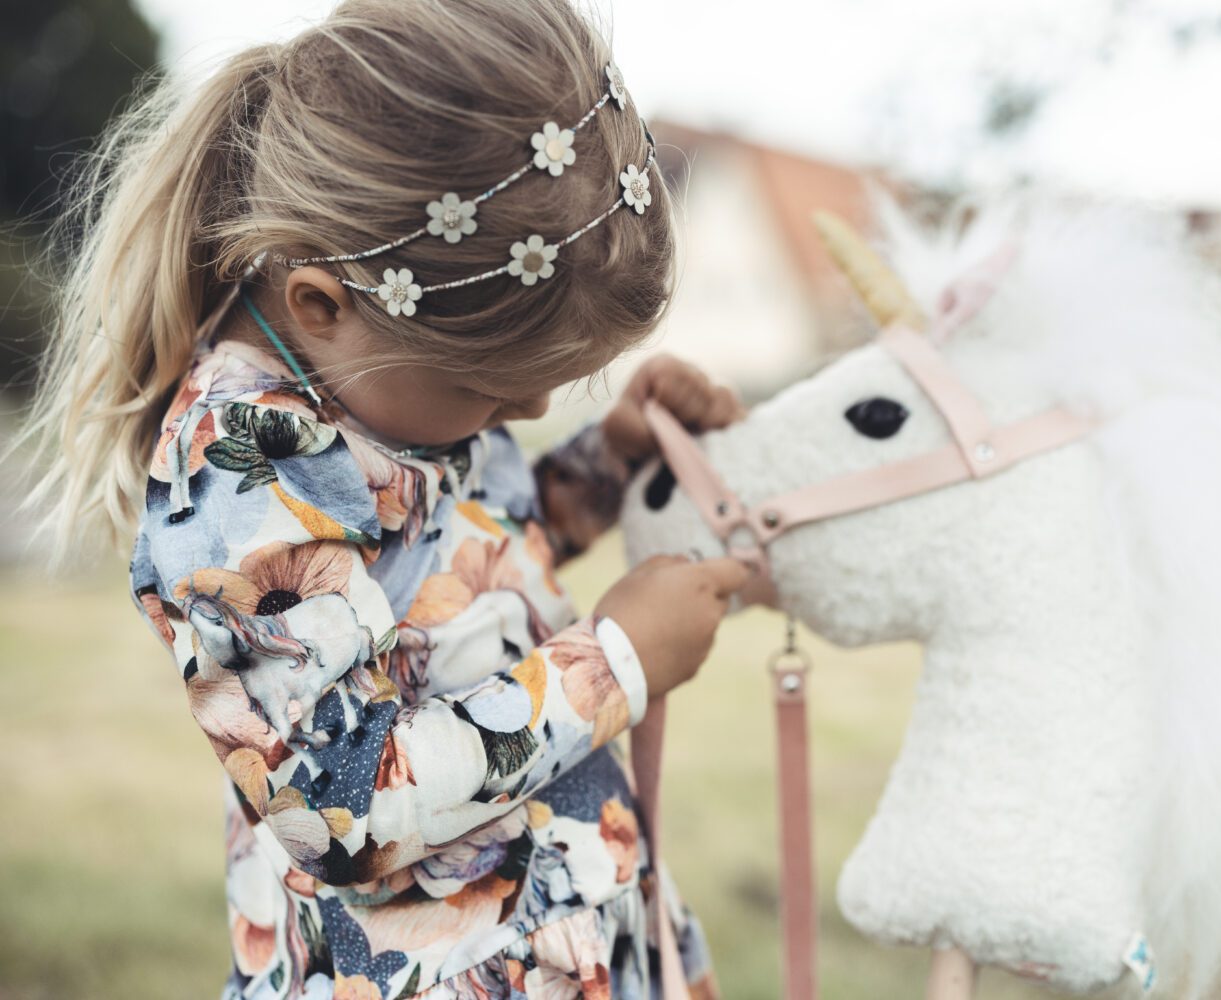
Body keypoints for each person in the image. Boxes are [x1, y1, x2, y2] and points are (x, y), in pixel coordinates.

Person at [14, 1, 754, 996]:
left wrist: (603, 465)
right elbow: (339, 805)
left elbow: (450, 563)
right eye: (495, 386)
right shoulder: (244, 469)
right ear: (324, 305)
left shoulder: (384, 384)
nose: (524, 408)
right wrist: (610, 661)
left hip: (569, 935)